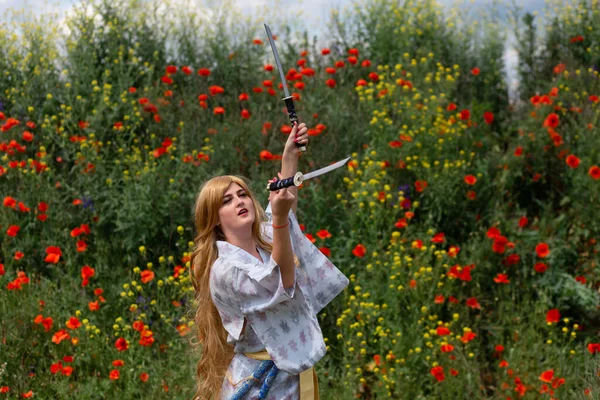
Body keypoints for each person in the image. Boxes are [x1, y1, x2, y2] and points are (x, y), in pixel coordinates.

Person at [189, 122, 350, 400]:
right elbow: (281, 280)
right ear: (214, 218)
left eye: (242, 194)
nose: (240, 201)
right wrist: (278, 219)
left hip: (291, 378)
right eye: (227, 200)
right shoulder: (224, 270)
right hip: (257, 386)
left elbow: (285, 215)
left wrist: (290, 156)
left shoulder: (265, 236)